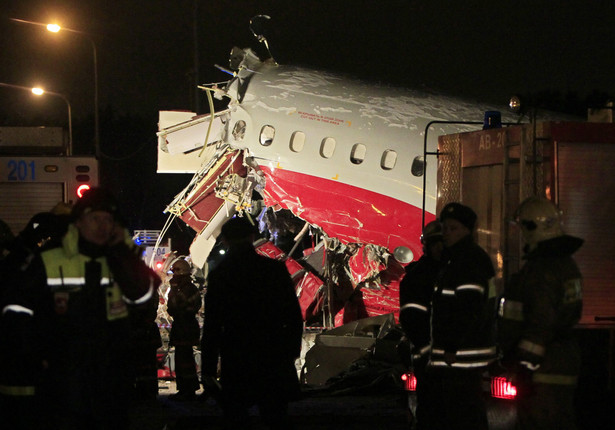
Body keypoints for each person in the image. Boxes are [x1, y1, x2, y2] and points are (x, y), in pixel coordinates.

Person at [0, 187, 160, 429]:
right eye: (94, 218)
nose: (102, 225)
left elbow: (144, 299)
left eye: (108, 219)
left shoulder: (120, 259)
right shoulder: (50, 259)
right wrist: (36, 357)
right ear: (78, 222)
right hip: (63, 382)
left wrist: (121, 253)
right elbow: (16, 309)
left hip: (110, 381)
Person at [201, 215, 303, 430]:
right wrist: (292, 349)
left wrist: (208, 367)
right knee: (274, 416)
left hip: (236, 354)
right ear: (252, 236)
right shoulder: (273, 269)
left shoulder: (221, 275)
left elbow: (212, 323)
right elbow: (292, 313)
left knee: (237, 416)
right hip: (271, 351)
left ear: (225, 240)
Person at [498, 196, 583, 430]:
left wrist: (526, 364)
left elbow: (541, 321)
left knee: (539, 421)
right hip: (560, 360)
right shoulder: (566, 265)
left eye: (522, 227)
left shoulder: (543, 269)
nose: (520, 234)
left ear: (532, 228)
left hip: (544, 367)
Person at [427, 202, 497, 430]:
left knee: (463, 416)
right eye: (445, 228)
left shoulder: (468, 262)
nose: (446, 233)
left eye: (453, 228)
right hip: (458, 357)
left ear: (468, 230)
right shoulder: (456, 260)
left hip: (461, 358)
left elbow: (469, 310)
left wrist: (450, 347)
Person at [398, 220, 444, 430]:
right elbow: (411, 322)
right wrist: (428, 351)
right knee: (430, 411)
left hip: (453, 360)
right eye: (437, 244)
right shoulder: (416, 279)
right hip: (429, 361)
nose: (441, 249)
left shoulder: (457, 273)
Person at [167, 257, 201, 400]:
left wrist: (174, 291)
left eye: (175, 271)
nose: (173, 275)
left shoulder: (190, 289)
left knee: (185, 359)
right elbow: (172, 308)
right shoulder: (183, 289)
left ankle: (189, 389)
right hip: (182, 326)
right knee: (181, 359)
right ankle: (184, 389)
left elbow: (178, 307)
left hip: (186, 326)